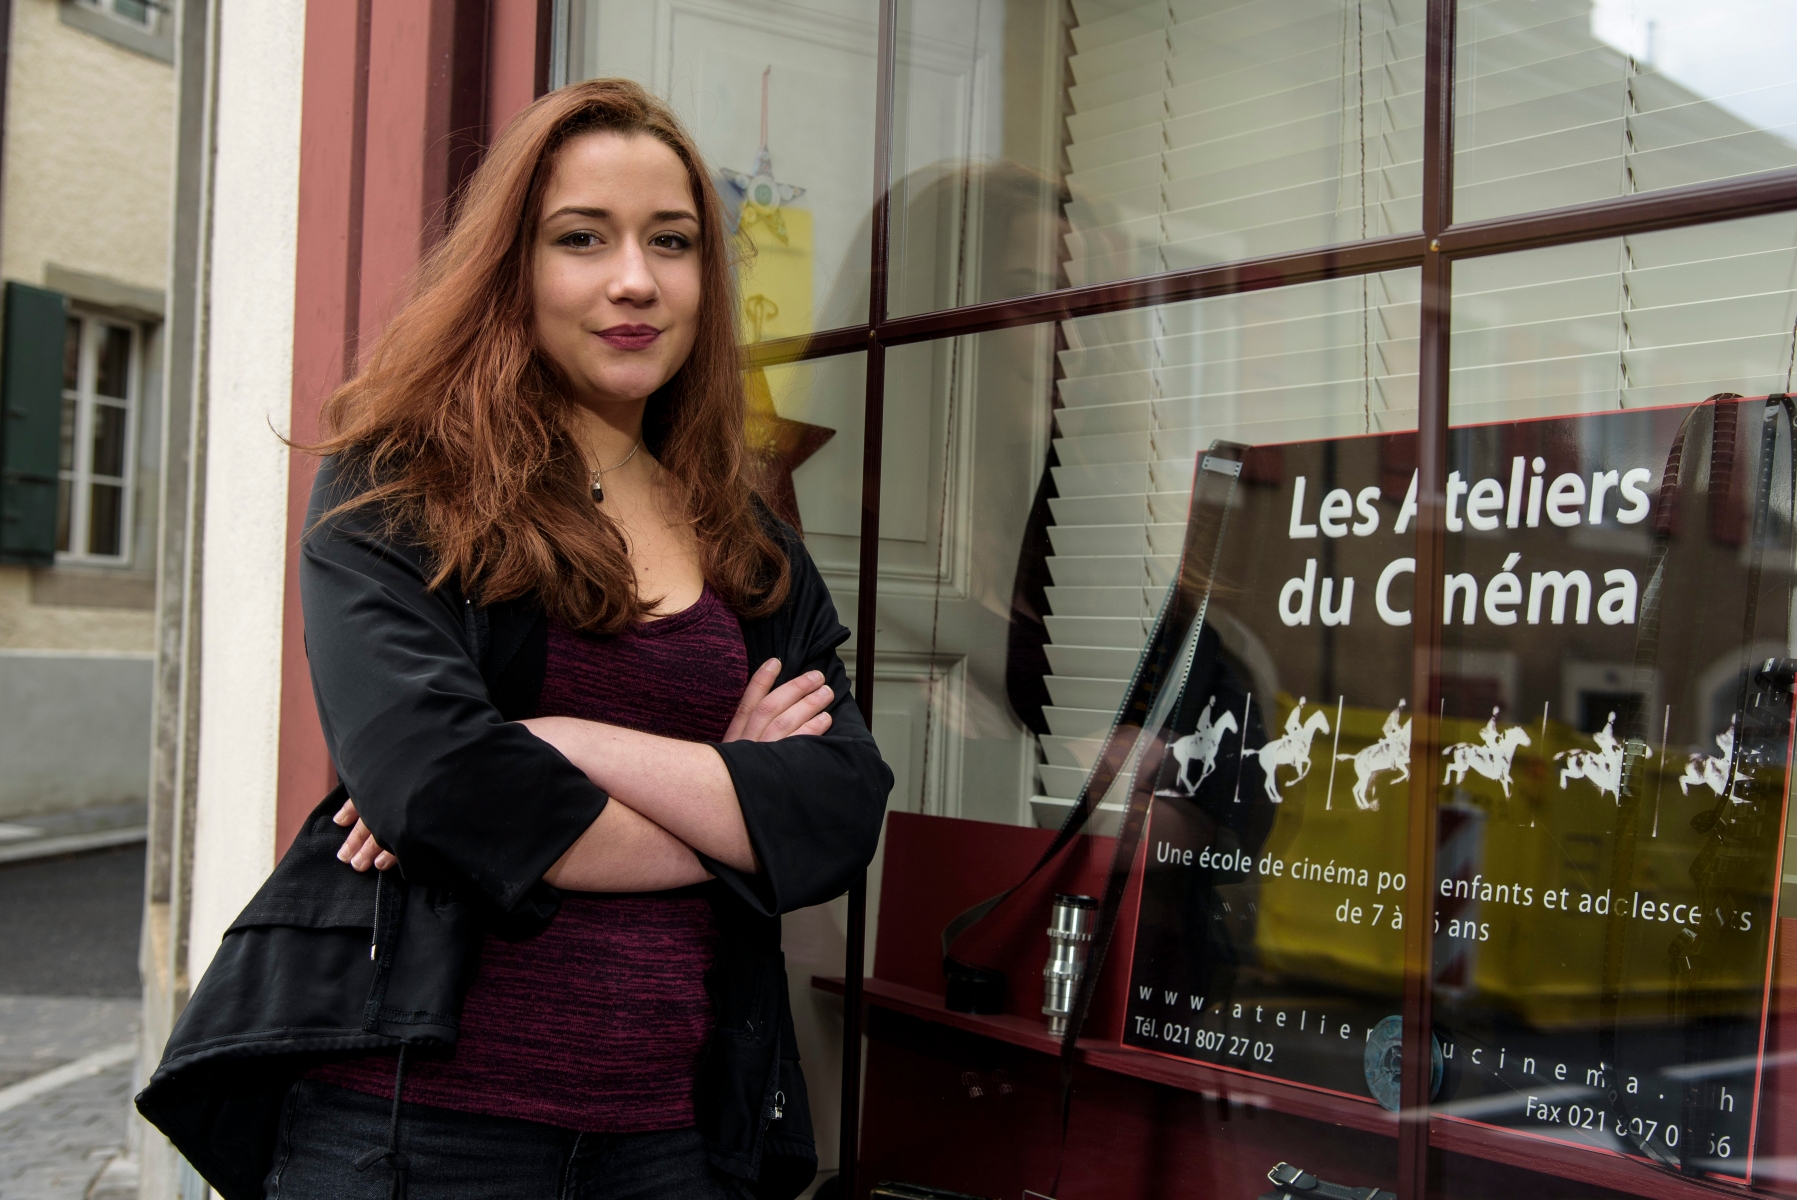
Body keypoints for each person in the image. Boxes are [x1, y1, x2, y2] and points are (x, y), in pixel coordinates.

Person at [136, 78, 891, 1200]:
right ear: (513, 266)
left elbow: (836, 811)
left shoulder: (743, 531)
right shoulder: (401, 486)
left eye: (671, 242)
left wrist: (562, 739)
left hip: (674, 1140)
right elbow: (439, 786)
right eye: (582, 238)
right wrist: (737, 812)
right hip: (418, 1136)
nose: (634, 279)